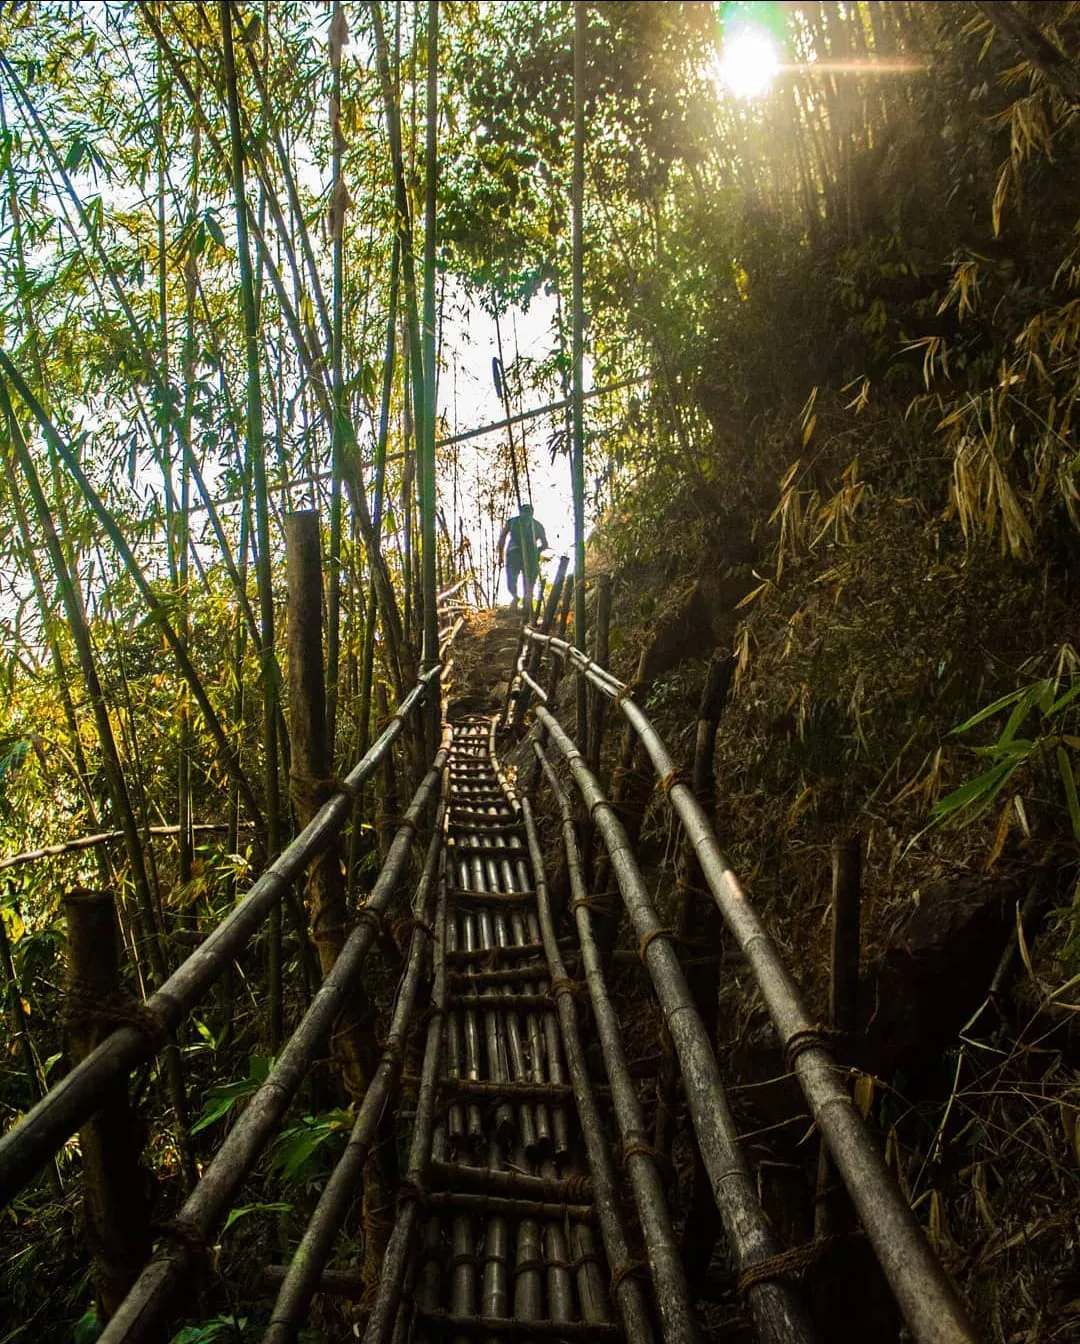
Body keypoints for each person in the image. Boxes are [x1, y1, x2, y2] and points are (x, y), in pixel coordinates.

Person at [497, 503, 548, 609]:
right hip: (514, 554)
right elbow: (502, 537)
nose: (526, 515)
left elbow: (545, 544)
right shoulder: (513, 522)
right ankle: (516, 598)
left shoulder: (537, 526)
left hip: (529, 556)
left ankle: (526, 603)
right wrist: (500, 555)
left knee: (528, 580)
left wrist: (536, 551)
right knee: (512, 578)